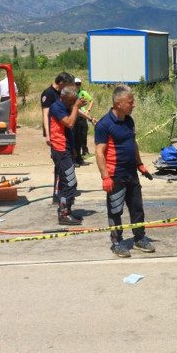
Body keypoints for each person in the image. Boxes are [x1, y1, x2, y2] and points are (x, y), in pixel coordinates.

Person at [95, 85, 155, 258]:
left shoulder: (129, 120)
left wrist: (140, 164)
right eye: (130, 102)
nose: (133, 105)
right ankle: (117, 242)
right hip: (115, 176)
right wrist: (105, 177)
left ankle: (139, 238)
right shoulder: (104, 124)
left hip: (131, 173)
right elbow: (99, 152)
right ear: (118, 103)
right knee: (115, 210)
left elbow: (133, 143)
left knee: (137, 208)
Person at [48, 85, 86, 225]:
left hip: (66, 148)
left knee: (66, 181)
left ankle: (65, 210)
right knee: (69, 182)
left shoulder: (66, 105)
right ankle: (64, 214)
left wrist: (74, 149)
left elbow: (68, 130)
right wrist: (75, 107)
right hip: (60, 149)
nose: (71, 103)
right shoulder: (56, 107)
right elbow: (69, 123)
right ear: (62, 97)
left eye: (73, 100)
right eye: (70, 101)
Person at [41, 72, 75, 203]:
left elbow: (72, 110)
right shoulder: (48, 94)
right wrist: (48, 135)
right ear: (61, 84)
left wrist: (90, 118)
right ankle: (57, 194)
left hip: (65, 135)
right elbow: (46, 115)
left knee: (66, 168)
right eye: (68, 86)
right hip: (56, 136)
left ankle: (62, 194)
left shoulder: (64, 95)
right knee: (60, 167)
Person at [72, 78, 96, 166]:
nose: (77, 85)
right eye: (76, 84)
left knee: (81, 136)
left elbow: (91, 100)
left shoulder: (82, 93)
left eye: (79, 84)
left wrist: (88, 111)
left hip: (82, 116)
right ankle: (74, 159)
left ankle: (80, 157)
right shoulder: (71, 94)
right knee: (74, 138)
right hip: (74, 117)